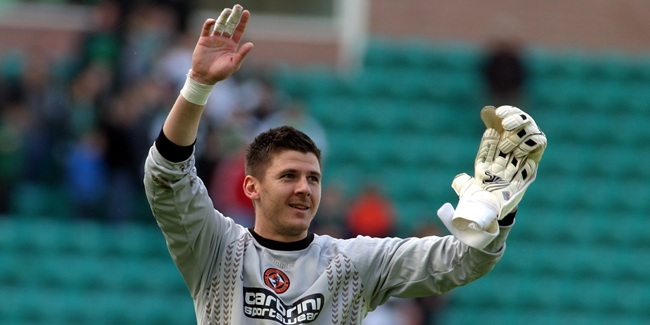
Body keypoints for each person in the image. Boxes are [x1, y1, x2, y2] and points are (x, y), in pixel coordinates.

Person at [143, 5, 547, 325]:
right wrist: (197, 85)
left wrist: (498, 212)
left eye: (313, 178)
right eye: (288, 176)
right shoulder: (216, 248)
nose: (304, 187)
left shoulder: (352, 262)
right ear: (252, 187)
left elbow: (461, 262)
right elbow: (167, 177)